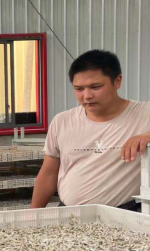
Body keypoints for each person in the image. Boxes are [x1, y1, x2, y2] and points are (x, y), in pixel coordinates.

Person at [31, 50, 150, 211]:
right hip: (68, 212)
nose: (87, 96)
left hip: (123, 213)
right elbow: (48, 174)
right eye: (79, 89)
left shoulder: (144, 114)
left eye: (95, 87)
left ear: (117, 81)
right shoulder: (62, 121)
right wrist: (33, 214)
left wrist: (147, 135)